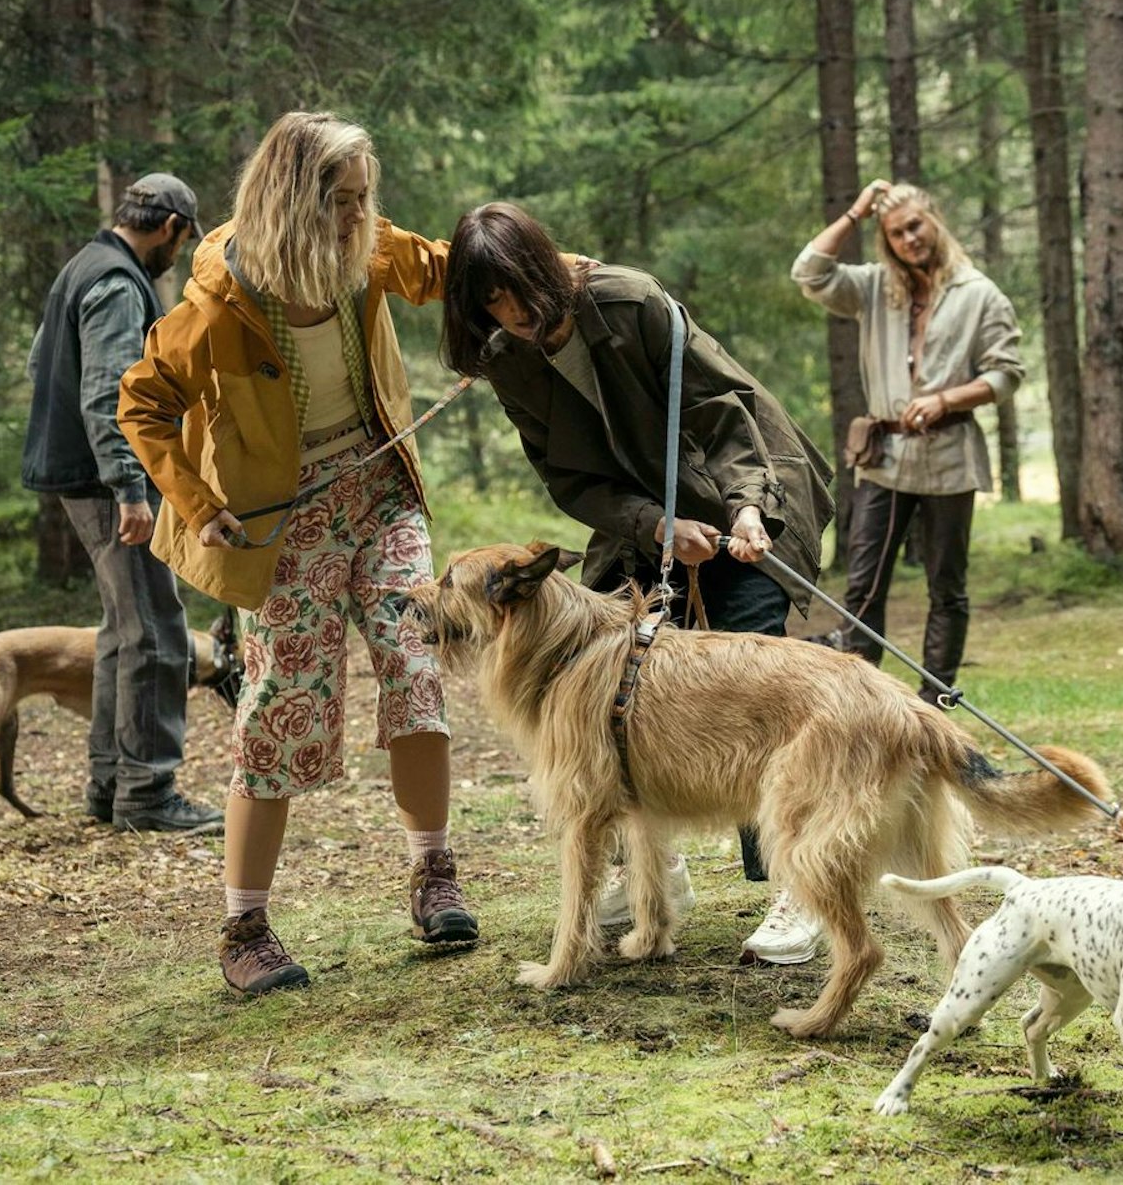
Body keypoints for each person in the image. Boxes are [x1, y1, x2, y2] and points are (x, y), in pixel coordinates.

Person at [119, 112, 474, 998]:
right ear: (290, 204)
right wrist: (197, 506)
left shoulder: (367, 249)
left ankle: (434, 874)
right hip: (285, 518)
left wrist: (559, 274)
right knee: (283, 706)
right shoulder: (218, 301)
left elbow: (441, 269)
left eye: (364, 200)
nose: (360, 218)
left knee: (415, 659)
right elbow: (143, 404)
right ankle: (245, 928)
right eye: (341, 203)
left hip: (380, 489)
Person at [438, 201, 836, 967]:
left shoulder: (630, 301)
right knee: (614, 655)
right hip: (642, 511)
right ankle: (656, 873)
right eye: (490, 301)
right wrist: (656, 525)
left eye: (519, 290)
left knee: (748, 662)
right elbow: (569, 477)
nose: (513, 314)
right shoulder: (507, 359)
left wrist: (749, 508)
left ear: (545, 266)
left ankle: (801, 882)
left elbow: (725, 408)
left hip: (743, 484)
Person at [22, 173, 223, 836]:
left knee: (122, 628)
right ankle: (148, 793)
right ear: (169, 227)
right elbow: (110, 389)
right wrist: (128, 486)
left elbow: (40, 363)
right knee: (156, 631)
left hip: (78, 476)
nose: (178, 253)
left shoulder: (83, 265)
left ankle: (111, 784)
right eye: (183, 239)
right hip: (109, 484)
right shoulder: (116, 282)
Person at [789, 179, 1024, 705]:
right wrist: (856, 211)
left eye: (915, 225)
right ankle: (857, 704)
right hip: (885, 458)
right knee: (864, 587)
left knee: (947, 588)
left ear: (935, 220)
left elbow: (1007, 374)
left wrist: (947, 400)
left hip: (949, 457)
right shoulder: (874, 287)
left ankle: (934, 703)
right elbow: (809, 270)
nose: (909, 239)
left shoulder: (980, 294)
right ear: (886, 240)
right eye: (896, 233)